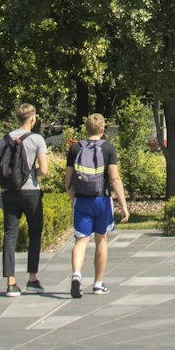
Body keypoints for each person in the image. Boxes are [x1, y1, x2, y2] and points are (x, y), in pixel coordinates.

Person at [64, 113, 129, 298]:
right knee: (101, 240)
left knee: (80, 240)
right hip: (102, 200)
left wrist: (73, 198)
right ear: (102, 129)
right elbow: (114, 179)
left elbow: (67, 180)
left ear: (86, 128)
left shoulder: (75, 148)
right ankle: (98, 284)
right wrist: (123, 205)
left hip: (82, 200)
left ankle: (76, 274)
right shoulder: (108, 148)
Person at [0, 102, 49, 296]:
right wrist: (31, 174)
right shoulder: (37, 139)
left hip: (9, 191)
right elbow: (43, 170)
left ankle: (11, 282)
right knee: (35, 233)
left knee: (10, 234)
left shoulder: (5, 139)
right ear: (32, 118)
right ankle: (32, 279)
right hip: (30, 192)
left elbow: (1, 166)